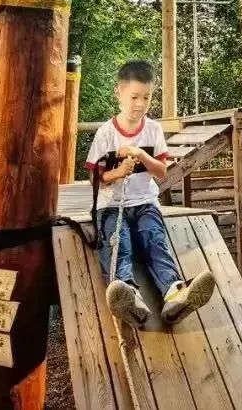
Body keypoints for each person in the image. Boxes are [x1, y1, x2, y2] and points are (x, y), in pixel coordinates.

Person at [85, 60, 216, 327]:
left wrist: (142, 155)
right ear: (119, 93)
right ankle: (128, 296)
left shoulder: (153, 130)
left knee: (154, 240)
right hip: (112, 206)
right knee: (119, 244)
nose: (140, 104)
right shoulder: (105, 133)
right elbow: (96, 178)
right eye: (134, 97)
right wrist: (118, 172)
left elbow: (162, 172)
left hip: (145, 202)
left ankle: (175, 295)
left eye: (146, 97)